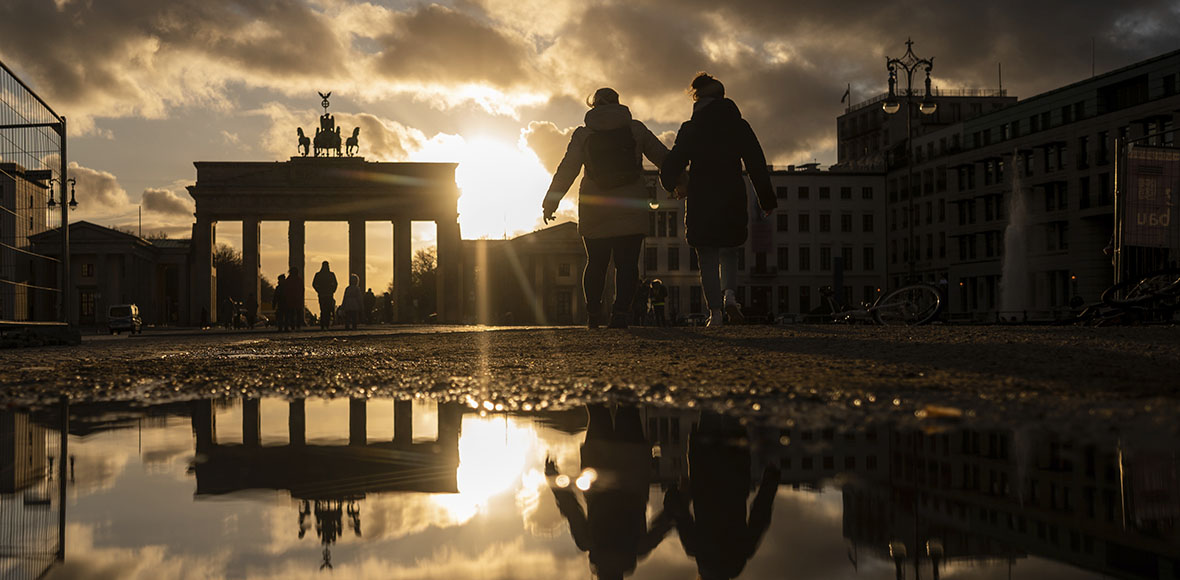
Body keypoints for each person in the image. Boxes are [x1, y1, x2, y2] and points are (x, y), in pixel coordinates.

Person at [543, 87, 670, 329]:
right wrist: (680, 183)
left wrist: (551, 201)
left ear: (594, 105)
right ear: (618, 103)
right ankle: (620, 314)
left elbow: (567, 169)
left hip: (596, 209)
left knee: (596, 264)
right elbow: (664, 158)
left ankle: (593, 314)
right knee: (627, 265)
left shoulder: (583, 134)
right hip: (631, 207)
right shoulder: (636, 130)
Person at [659, 73, 776, 327]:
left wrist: (670, 184)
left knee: (707, 254)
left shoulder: (692, 128)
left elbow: (675, 160)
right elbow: (756, 162)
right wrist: (766, 199)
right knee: (730, 250)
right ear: (723, 97)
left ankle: (716, 313)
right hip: (732, 194)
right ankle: (730, 296)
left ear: (697, 98)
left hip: (702, 197)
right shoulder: (739, 125)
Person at [546, 405, 672, 580]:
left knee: (628, 408)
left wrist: (678, 493)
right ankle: (599, 387)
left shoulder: (639, 548)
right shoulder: (588, 542)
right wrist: (552, 476)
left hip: (632, 464)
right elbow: (571, 509)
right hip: (598, 462)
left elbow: (668, 518)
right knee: (598, 411)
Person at [663, 413, 779, 580]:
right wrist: (673, 493)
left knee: (733, 412)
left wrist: (770, 481)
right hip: (705, 470)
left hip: (735, 473)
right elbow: (679, 512)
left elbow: (760, 515)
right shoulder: (696, 550)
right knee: (709, 411)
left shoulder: (740, 555)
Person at [312, 261, 338, 330]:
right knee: (327, 310)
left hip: (322, 294)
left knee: (323, 310)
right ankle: (326, 324)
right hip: (328, 294)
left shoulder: (318, 274)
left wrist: (318, 290)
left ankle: (323, 325)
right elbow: (336, 283)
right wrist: (333, 290)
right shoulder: (331, 274)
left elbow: (314, 284)